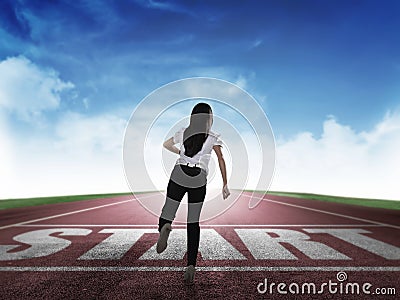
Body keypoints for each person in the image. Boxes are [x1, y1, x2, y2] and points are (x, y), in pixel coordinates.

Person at [157, 102, 230, 285]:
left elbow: (166, 144)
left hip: (179, 171)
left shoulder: (183, 131)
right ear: (209, 119)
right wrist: (225, 184)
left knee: (168, 211)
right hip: (198, 177)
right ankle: (190, 265)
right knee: (193, 222)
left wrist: (179, 152)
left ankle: (165, 228)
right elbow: (221, 159)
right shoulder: (213, 137)